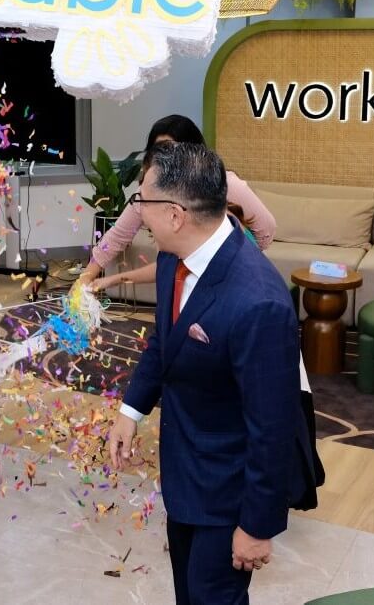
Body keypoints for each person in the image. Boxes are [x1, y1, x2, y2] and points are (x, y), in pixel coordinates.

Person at [107, 142, 315, 605]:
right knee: (189, 592)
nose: (138, 212)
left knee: (212, 596)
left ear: (175, 214)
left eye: (142, 201)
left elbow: (273, 428)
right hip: (185, 471)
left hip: (228, 491)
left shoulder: (258, 302)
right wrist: (130, 411)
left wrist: (256, 526)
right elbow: (165, 339)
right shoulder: (173, 257)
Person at [79, 115, 276, 291]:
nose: (165, 160)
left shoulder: (227, 184)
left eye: (173, 151)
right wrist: (87, 278)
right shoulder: (147, 194)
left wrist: (243, 255)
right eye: (158, 152)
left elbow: (266, 229)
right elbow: (117, 237)